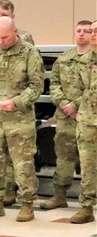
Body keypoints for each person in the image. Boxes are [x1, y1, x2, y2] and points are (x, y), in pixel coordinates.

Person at [0, 16, 44, 221]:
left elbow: (37, 86)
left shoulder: (29, 53)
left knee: (23, 164)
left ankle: (27, 204)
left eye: (5, 37)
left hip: (19, 119)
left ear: (15, 32)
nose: (1, 41)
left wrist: (17, 101)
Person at [42, 20, 92, 210]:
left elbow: (92, 88)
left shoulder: (94, 59)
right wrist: (65, 105)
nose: (81, 34)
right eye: (78, 30)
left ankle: (88, 201)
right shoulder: (63, 59)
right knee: (63, 157)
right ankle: (60, 195)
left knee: (90, 161)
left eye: (86, 31)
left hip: (88, 117)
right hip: (65, 117)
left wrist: (76, 105)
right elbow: (53, 84)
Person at [72, 23, 97, 224]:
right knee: (88, 166)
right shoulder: (84, 61)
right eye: (93, 31)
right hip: (88, 120)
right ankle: (86, 207)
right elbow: (79, 88)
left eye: (96, 31)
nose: (93, 35)